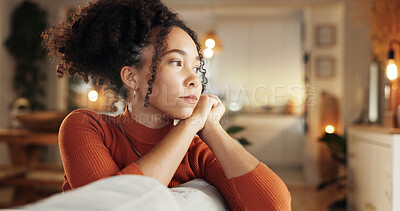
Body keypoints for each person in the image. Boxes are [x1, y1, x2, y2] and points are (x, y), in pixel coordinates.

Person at [42, 0, 291, 210]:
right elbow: (116, 205)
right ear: (131, 77)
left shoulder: (196, 150)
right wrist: (192, 123)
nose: (195, 79)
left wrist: (211, 128)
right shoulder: (86, 126)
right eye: (176, 62)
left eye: (196, 67)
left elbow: (275, 206)